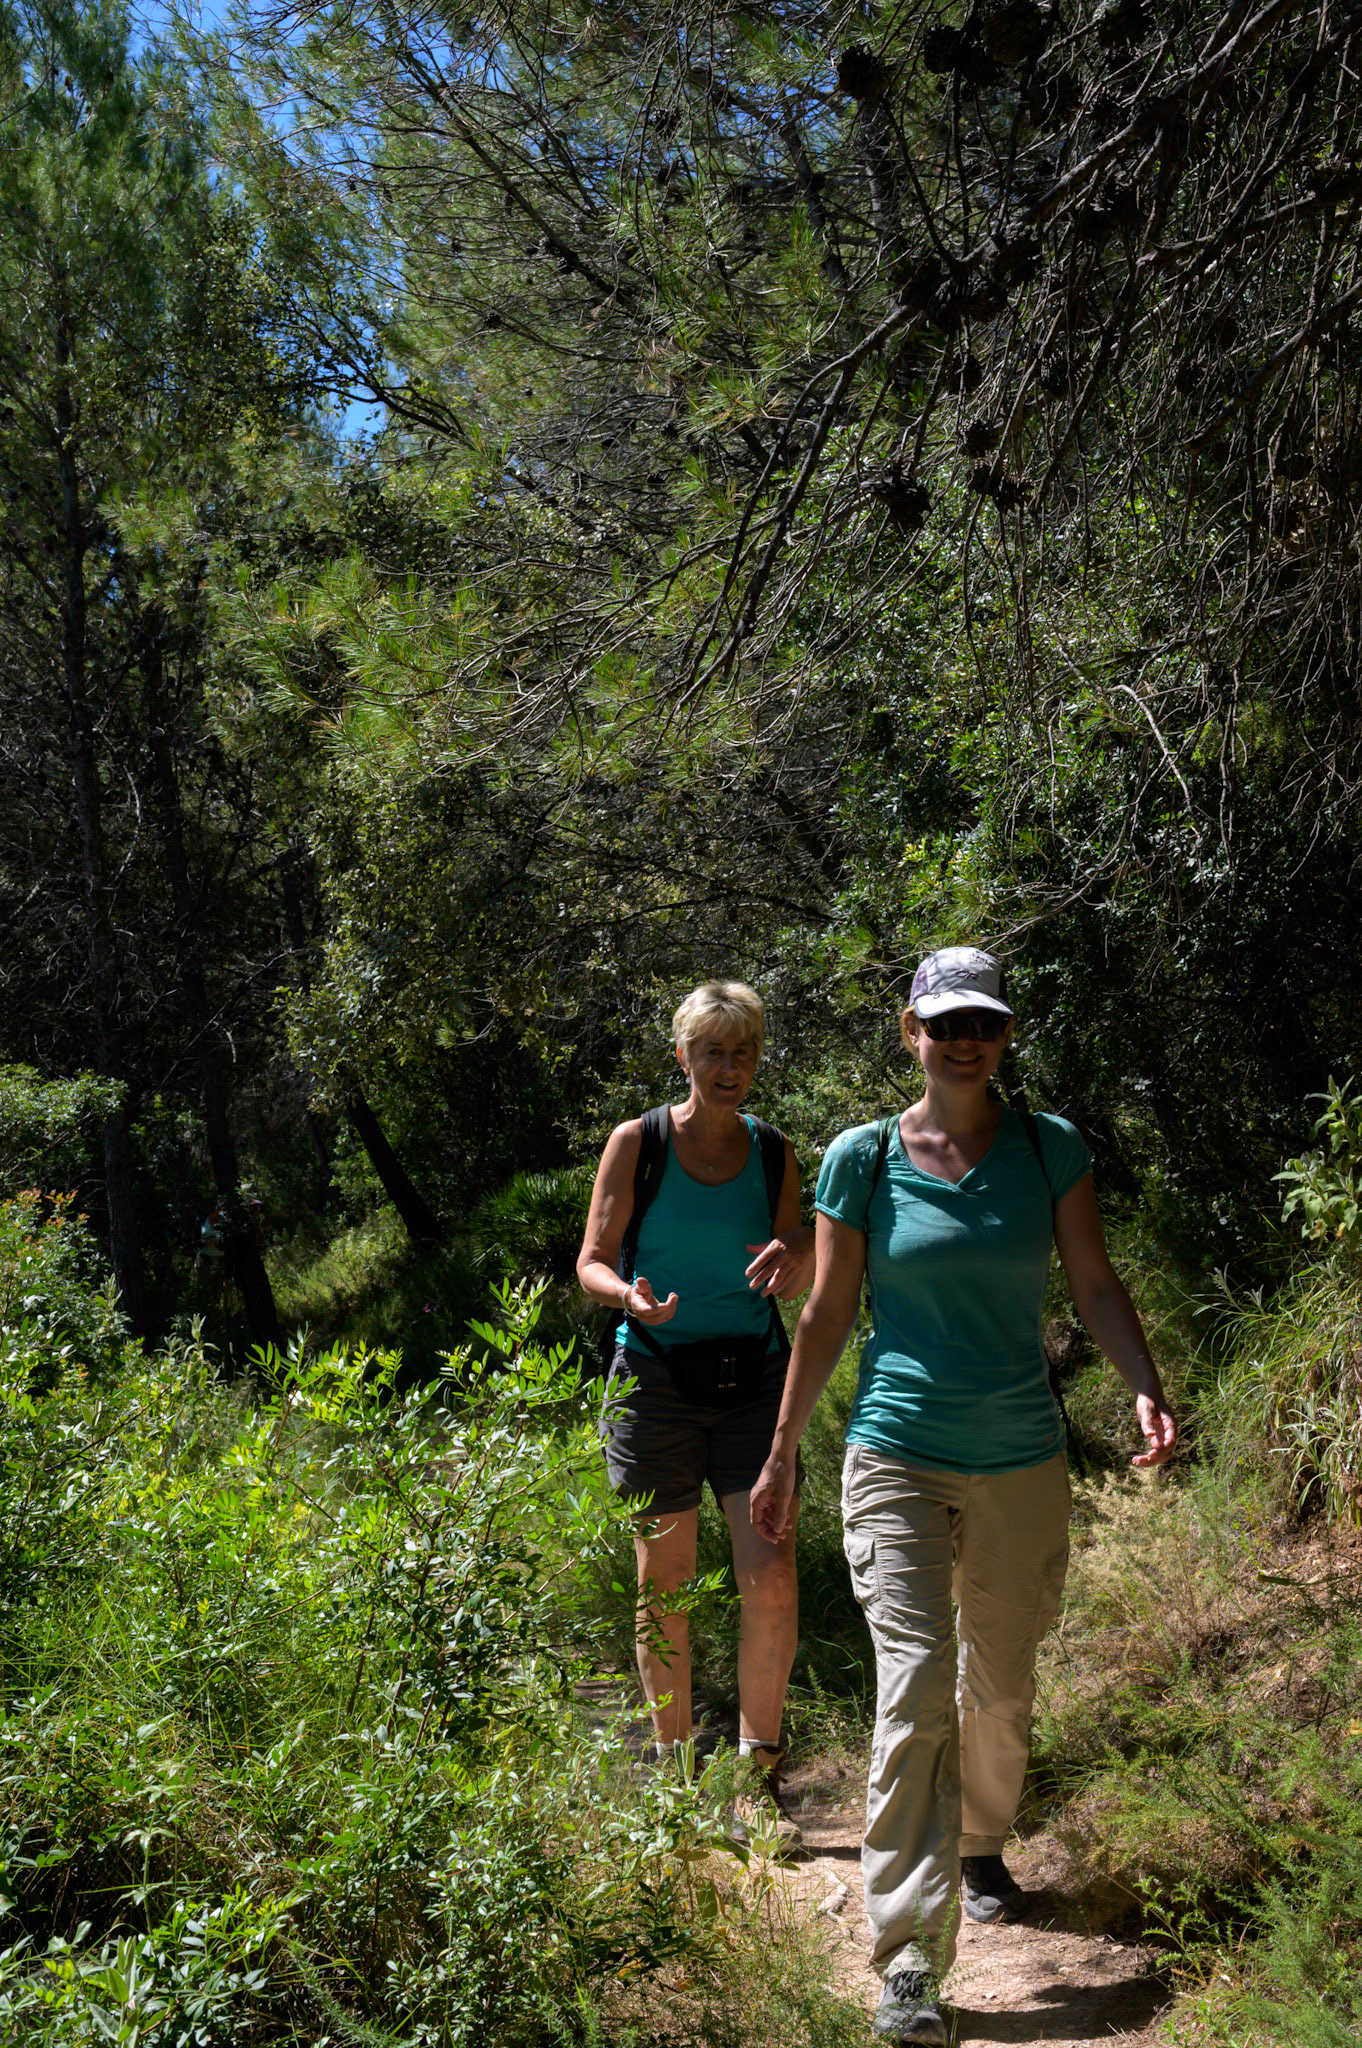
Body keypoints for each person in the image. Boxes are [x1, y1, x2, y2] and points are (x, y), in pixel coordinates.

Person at [750, 946, 1176, 2044]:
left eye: (983, 1019)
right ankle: (907, 1958)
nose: (966, 1038)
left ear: (1005, 1029)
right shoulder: (863, 1157)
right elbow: (829, 1313)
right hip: (896, 1449)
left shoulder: (1049, 1147)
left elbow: (1091, 1278)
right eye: (946, 1023)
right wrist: (786, 1446)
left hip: (1022, 1455)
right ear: (912, 1032)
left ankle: (983, 1838)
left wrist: (1144, 1389)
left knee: (1002, 1685)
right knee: (916, 1686)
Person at [576, 980, 816, 1842]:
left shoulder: (774, 1150)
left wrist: (799, 1253)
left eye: (743, 1052)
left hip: (755, 1380)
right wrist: (627, 1299)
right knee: (665, 1581)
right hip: (655, 1383)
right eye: (712, 1051)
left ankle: (758, 1783)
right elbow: (593, 1259)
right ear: (682, 1057)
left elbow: (802, 1248)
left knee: (772, 1573)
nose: (729, 1067)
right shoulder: (636, 1143)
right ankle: (679, 1785)